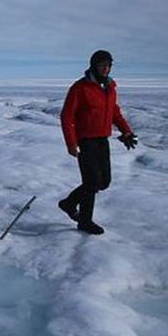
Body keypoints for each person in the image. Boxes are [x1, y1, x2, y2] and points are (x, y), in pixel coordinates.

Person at [58, 50, 137, 235]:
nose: (106, 68)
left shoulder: (109, 88)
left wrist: (126, 131)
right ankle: (84, 222)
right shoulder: (80, 88)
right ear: (94, 65)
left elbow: (114, 113)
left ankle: (68, 203)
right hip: (85, 140)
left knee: (104, 182)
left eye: (108, 65)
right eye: (102, 65)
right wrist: (71, 143)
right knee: (92, 181)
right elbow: (66, 116)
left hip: (102, 139)